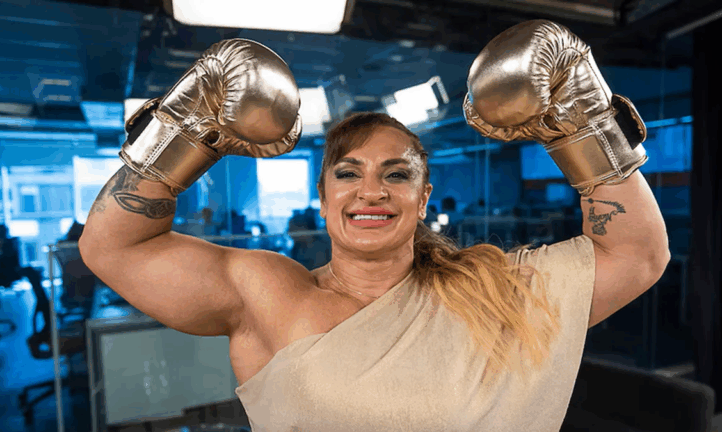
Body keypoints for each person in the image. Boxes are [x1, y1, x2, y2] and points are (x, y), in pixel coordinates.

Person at [79, 23, 670, 431]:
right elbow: (111, 247)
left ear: (422, 198)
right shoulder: (267, 291)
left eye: (396, 174)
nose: (371, 191)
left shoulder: (492, 290)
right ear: (323, 194)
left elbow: (637, 254)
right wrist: (182, 130)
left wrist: (583, 121)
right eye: (348, 173)